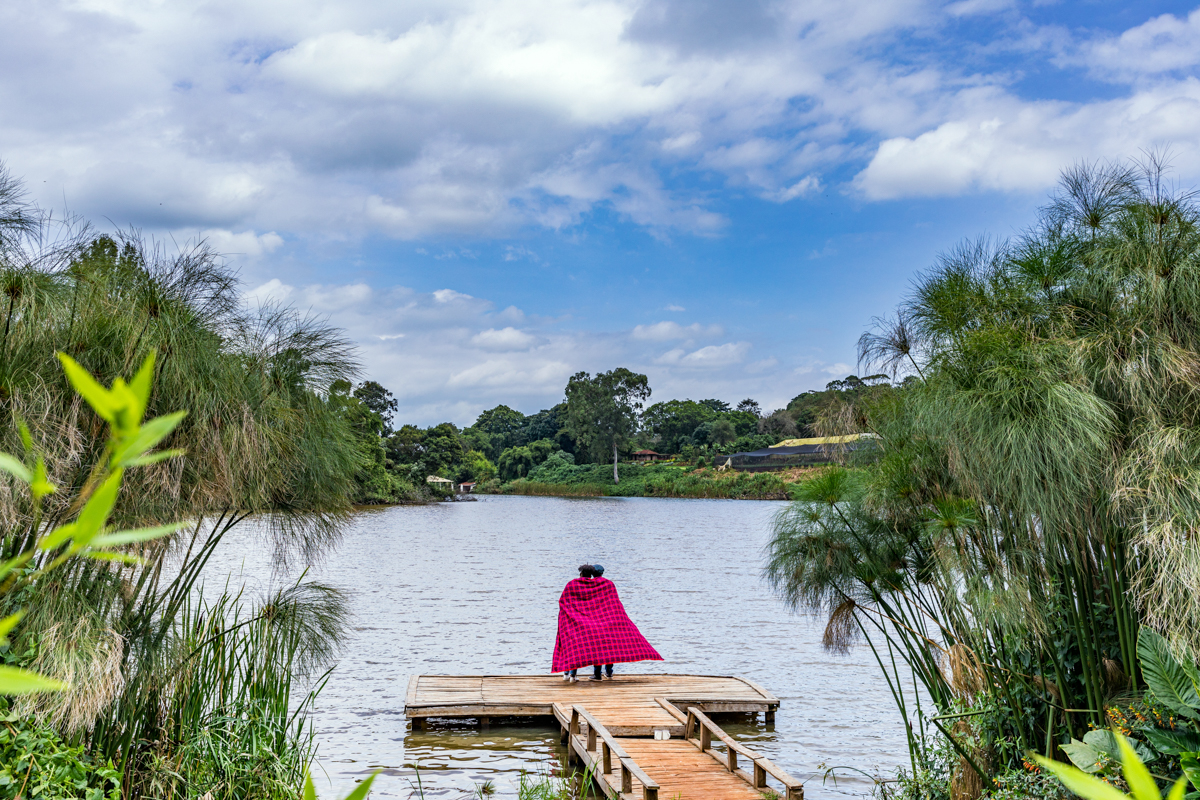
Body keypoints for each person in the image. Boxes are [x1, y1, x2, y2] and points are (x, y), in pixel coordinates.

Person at [553, 562, 662, 682]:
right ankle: (608, 673)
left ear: (581, 573)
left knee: (573, 645)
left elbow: (564, 601)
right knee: (607, 645)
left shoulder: (573, 584)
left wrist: (570, 617)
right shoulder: (608, 584)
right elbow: (613, 603)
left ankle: (571, 676)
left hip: (580, 621)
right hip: (606, 621)